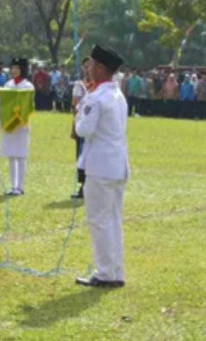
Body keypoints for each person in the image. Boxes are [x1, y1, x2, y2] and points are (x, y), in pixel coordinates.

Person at [75, 44, 129, 288]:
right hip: (117, 164)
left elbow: (83, 130)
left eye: (92, 65)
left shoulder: (96, 97)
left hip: (100, 166)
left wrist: (79, 113)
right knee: (113, 219)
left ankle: (105, 272)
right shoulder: (117, 95)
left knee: (99, 220)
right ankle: (115, 269)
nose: (89, 69)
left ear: (100, 68)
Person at [2, 58, 34, 196]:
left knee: (21, 156)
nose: (14, 70)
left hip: (21, 124)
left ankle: (20, 186)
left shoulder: (27, 86)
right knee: (11, 155)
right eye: (12, 68)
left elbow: (28, 105)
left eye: (17, 68)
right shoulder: (7, 85)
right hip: (9, 123)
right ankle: (12, 185)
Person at [71, 57, 92, 199]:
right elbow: (75, 105)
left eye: (90, 66)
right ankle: (83, 186)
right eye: (85, 67)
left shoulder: (98, 85)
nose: (88, 69)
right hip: (81, 122)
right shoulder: (80, 85)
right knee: (81, 155)